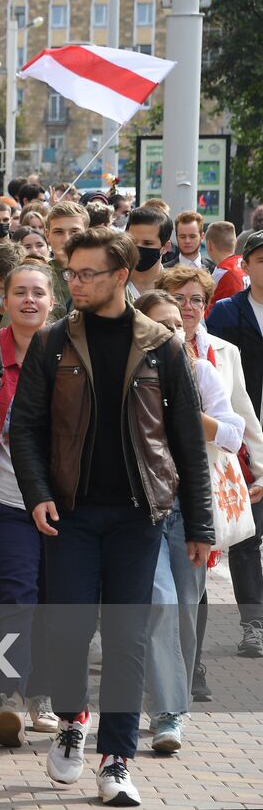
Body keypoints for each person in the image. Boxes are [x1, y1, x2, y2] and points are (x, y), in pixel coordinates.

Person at [10, 226, 211, 808]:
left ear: (121, 276)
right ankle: (73, 717)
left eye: (87, 274)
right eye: (69, 273)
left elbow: (186, 444)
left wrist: (199, 525)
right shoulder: (52, 343)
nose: (75, 283)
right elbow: (25, 428)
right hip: (69, 514)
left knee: (126, 638)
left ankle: (117, 758)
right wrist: (38, 492)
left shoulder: (161, 345)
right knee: (69, 630)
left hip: (137, 516)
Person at [133, 289, 241, 754]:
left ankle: (169, 699)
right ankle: (166, 712)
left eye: (178, 325)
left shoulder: (200, 372)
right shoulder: (128, 376)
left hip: (190, 510)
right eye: (162, 326)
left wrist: (185, 413)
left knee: (185, 610)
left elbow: (233, 433)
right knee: (159, 603)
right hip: (142, 510)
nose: (174, 333)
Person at [0, 260, 57, 747]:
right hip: (5, 498)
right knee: (13, 601)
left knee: (57, 602)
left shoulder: (69, 351)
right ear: (3, 299)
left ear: (53, 301)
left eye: (39, 293)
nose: (29, 300)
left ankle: (43, 696)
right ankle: (11, 695)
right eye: (20, 292)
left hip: (64, 502)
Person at [205, 233, 263, 659]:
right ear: (248, 265)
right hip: (242, 438)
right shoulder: (226, 312)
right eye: (260, 259)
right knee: (248, 537)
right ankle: (253, 624)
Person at [124, 207, 171, 303]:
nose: (137, 248)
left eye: (147, 243)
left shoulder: (176, 288)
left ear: (165, 247)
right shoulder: (112, 285)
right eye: (133, 241)